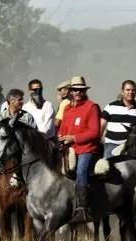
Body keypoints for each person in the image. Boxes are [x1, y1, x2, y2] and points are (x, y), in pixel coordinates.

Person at [57, 76, 102, 224]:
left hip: (87, 149)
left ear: (84, 91)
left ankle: (83, 209)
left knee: (81, 171)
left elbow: (95, 132)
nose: (78, 92)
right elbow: (62, 130)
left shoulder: (92, 107)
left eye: (81, 90)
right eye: (75, 90)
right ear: (70, 91)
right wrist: (61, 138)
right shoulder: (67, 108)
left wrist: (73, 138)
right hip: (69, 148)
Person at [100, 79, 136, 158]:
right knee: (106, 167)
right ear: (122, 91)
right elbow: (101, 126)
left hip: (134, 147)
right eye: (128, 90)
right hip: (112, 145)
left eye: (133, 90)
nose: (130, 92)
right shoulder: (110, 107)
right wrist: (98, 142)